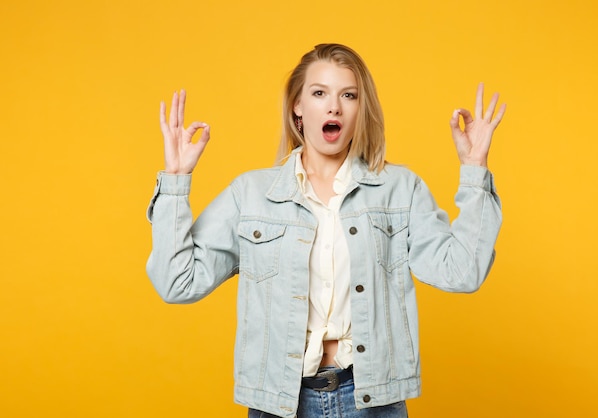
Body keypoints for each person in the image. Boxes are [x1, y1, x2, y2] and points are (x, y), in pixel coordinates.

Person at [146, 43, 505, 418]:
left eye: (348, 95)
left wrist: (475, 169)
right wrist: (175, 180)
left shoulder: (400, 190)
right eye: (319, 93)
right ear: (298, 106)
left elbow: (462, 273)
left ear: (360, 109)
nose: (334, 106)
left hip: (372, 402)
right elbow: (177, 282)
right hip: (279, 403)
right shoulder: (250, 195)